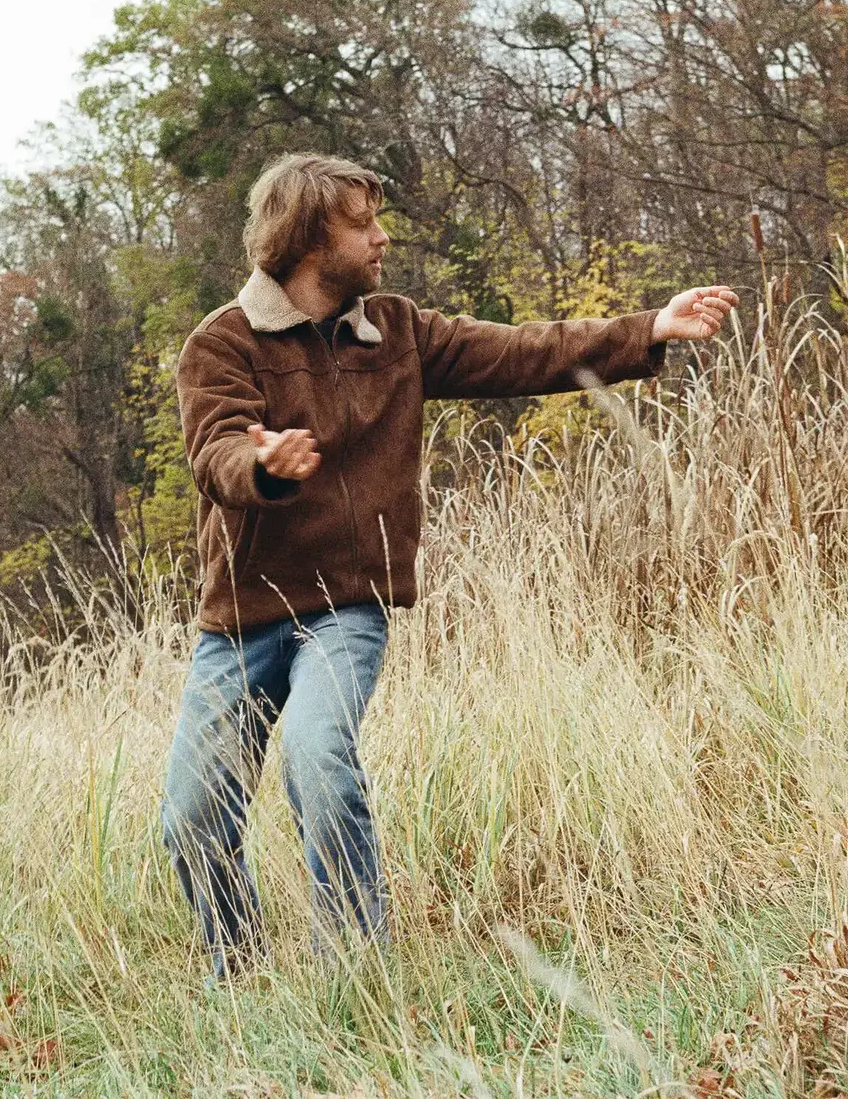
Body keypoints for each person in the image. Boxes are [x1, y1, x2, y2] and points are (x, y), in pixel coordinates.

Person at [161, 153, 737, 979]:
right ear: (307, 238)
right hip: (243, 618)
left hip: (345, 604)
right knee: (191, 816)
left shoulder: (396, 331)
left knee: (319, 760)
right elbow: (214, 449)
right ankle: (239, 972)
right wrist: (262, 467)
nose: (382, 236)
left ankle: (357, 973)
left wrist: (648, 328)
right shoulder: (223, 342)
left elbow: (521, 352)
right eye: (362, 223)